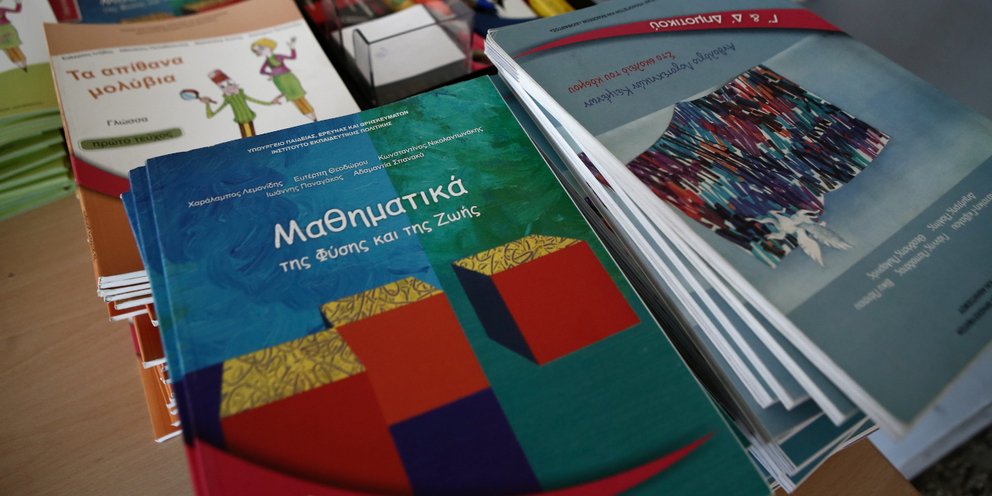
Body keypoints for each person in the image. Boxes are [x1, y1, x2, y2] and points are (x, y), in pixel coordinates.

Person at [199, 69, 279, 138]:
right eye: (223, 86)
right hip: (240, 120)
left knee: (252, 137)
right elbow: (210, 115)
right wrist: (207, 104)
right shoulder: (228, 99)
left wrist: (271, 103)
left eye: (230, 83)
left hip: (248, 117)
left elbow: (256, 101)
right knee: (248, 139)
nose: (229, 87)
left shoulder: (241, 95)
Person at [251, 37, 316, 122]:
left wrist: (292, 48)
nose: (259, 51)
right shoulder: (267, 61)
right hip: (279, 81)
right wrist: (271, 74)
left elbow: (293, 57)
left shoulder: (278, 56)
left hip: (289, 78)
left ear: (269, 46)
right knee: (293, 98)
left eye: (261, 48)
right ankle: (311, 117)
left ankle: (313, 115)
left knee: (300, 95)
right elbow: (262, 71)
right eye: (257, 50)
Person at [0, 0, 26, 71]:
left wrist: (18, 3)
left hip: (7, 29)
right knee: (7, 49)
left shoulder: (1, 9)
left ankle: (23, 64)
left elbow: (17, 10)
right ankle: (19, 64)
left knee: (14, 47)